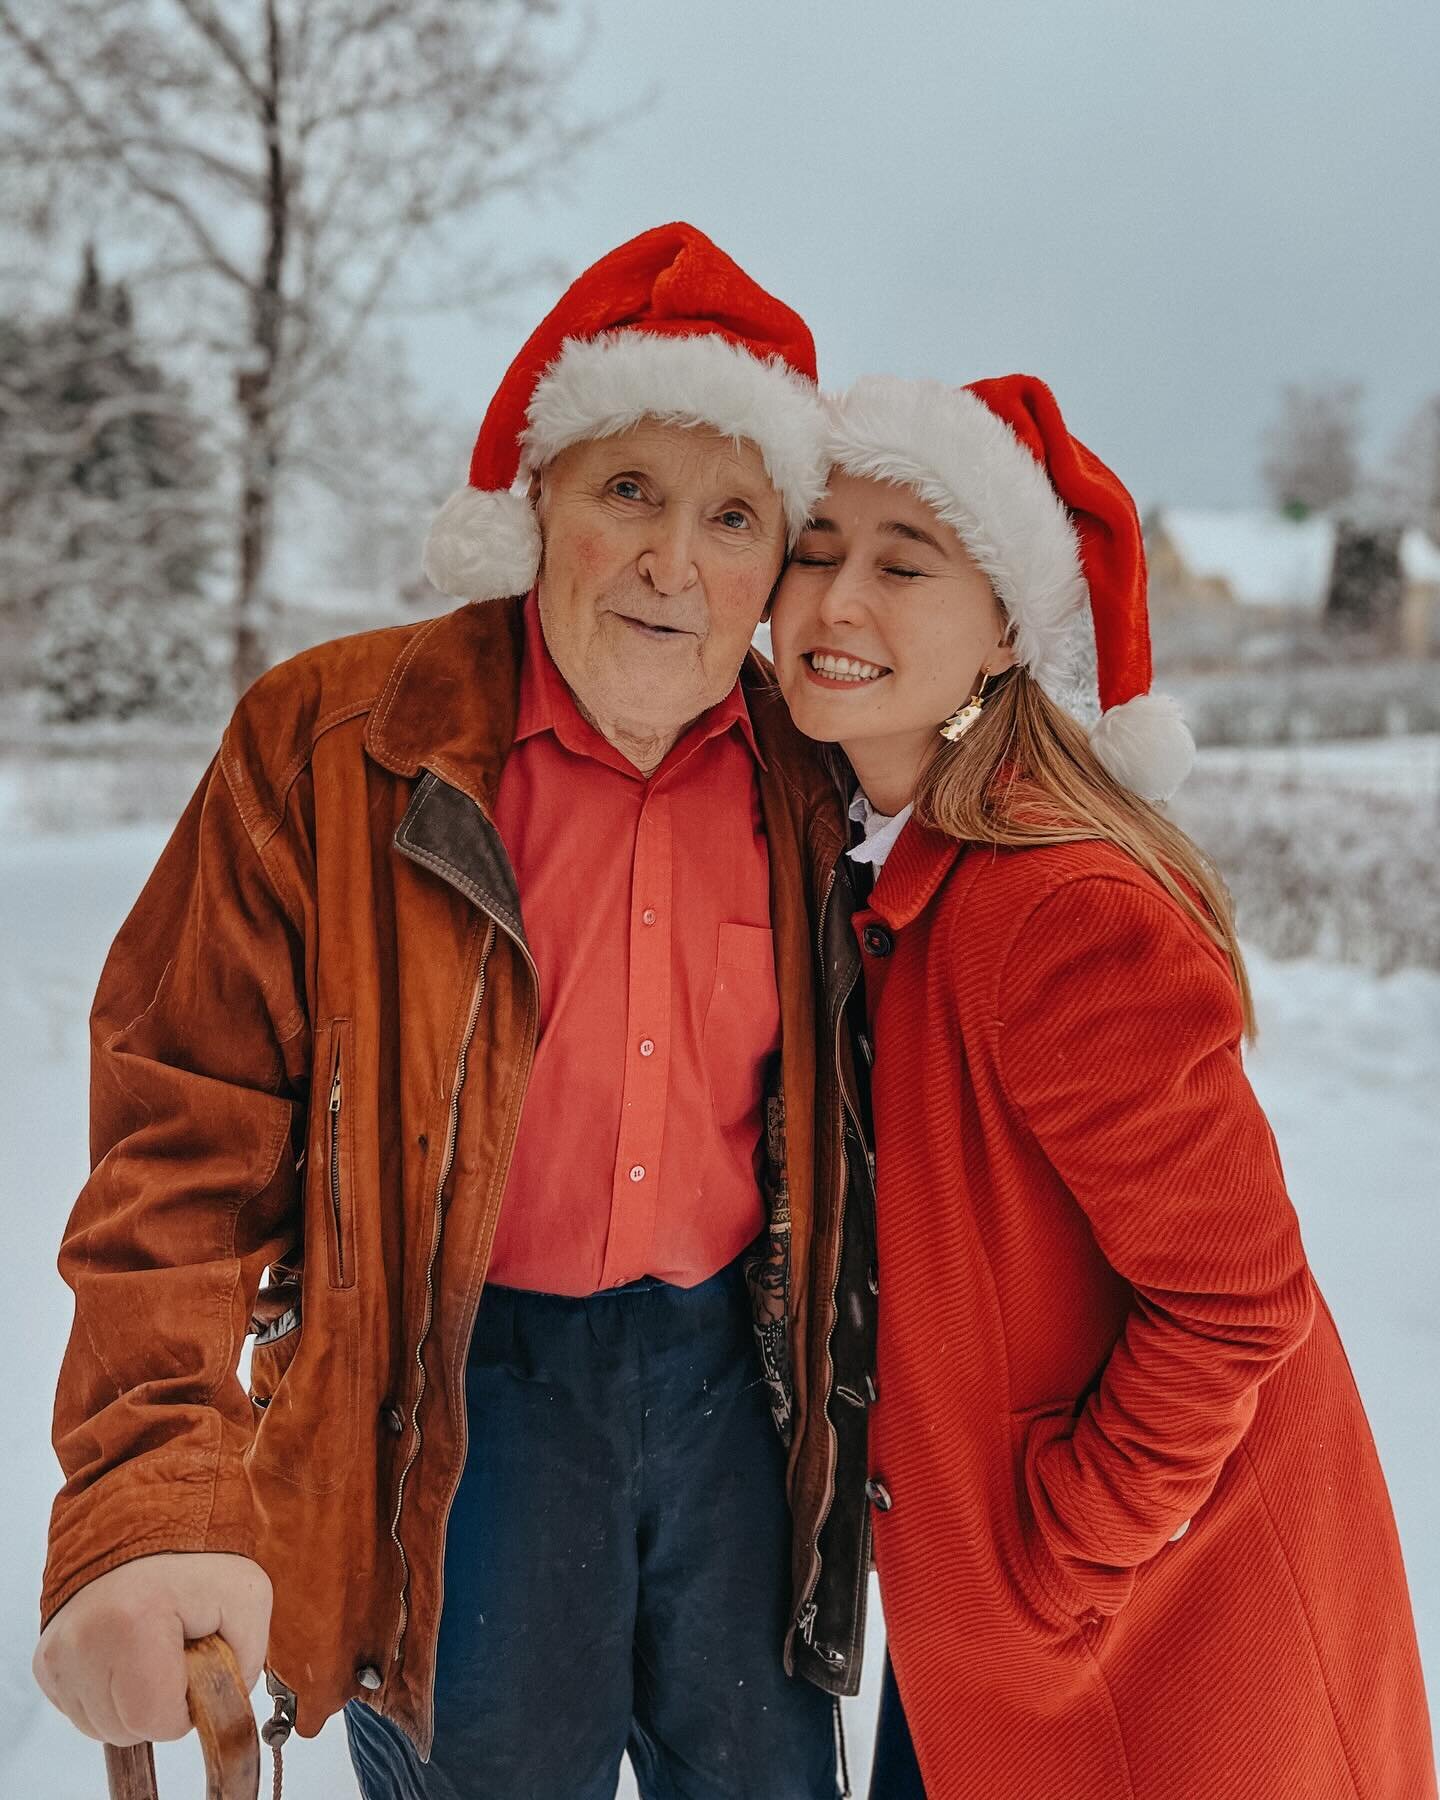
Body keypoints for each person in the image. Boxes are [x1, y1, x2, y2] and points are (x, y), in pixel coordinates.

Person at [33, 223, 880, 1800]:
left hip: (731, 1406)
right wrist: (154, 1491)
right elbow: (180, 1130)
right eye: (627, 488)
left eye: (733, 516)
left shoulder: (815, 782)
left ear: (777, 568)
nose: (672, 562)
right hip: (461, 1393)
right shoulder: (339, 743)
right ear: (536, 498)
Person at [770, 372, 1436, 1799]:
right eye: (815, 549)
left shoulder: (1054, 907)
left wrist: (1057, 1564)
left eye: (904, 562)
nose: (837, 601)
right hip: (997, 1631)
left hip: (1153, 1643)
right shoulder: (890, 870)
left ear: (1005, 625)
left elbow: (1234, 1299)